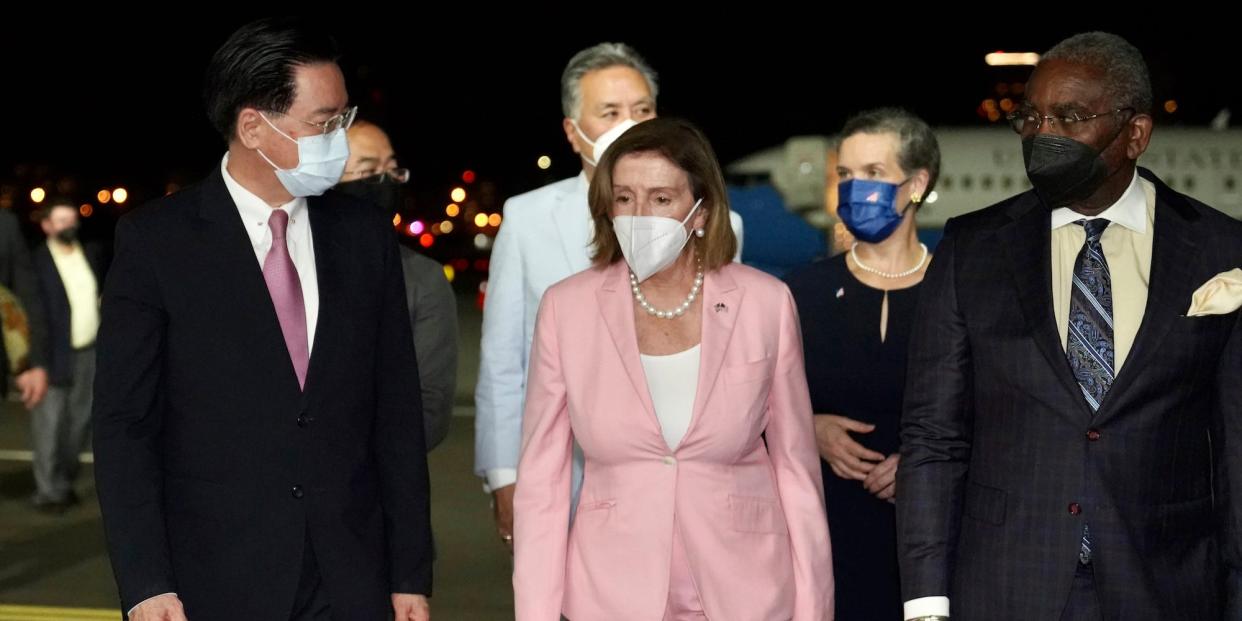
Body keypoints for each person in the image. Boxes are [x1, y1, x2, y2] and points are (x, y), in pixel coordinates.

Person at [92, 17, 432, 621]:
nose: (339, 138)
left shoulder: (361, 238)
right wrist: (145, 583)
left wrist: (410, 572)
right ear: (253, 126)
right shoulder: (157, 244)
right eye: (324, 124)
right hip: (212, 580)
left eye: (342, 121)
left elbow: (396, 414)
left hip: (351, 575)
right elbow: (125, 427)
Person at [896, 32, 1242, 620]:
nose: (1043, 134)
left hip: (1165, 587)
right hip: (1006, 586)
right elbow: (934, 439)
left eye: (1070, 116)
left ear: (1135, 134)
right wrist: (926, 602)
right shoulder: (973, 249)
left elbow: (1234, 449)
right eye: (1030, 117)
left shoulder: (1218, 247)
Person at [513, 118, 831, 620]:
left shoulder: (765, 303)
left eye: (661, 199)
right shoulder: (566, 309)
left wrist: (814, 609)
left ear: (701, 211)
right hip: (611, 593)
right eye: (624, 198)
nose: (640, 215)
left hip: (747, 590)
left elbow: (797, 470)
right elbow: (541, 483)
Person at [786, 108, 939, 620]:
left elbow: (1001, 411)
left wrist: (926, 465)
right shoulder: (799, 292)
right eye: (847, 174)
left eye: (873, 173)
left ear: (916, 183)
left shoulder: (960, 293)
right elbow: (751, 406)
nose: (856, 189)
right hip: (825, 539)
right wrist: (807, 428)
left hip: (930, 544)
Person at [338, 119, 458, 451]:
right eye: (367, 170)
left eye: (392, 169)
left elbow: (428, 411)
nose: (385, 181)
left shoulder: (422, 279)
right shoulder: (287, 267)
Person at [29, 200, 106, 513]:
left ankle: (63, 482)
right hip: (52, 356)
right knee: (49, 424)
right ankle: (47, 491)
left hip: (88, 352)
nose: (69, 225)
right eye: (61, 220)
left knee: (79, 422)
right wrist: (35, 363)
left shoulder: (88, 254)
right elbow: (32, 315)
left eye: (72, 219)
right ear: (47, 226)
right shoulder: (36, 262)